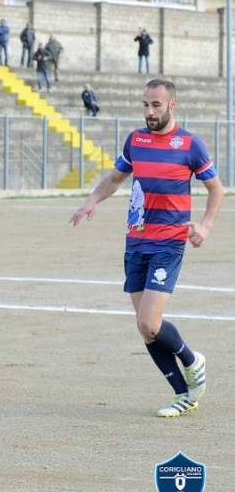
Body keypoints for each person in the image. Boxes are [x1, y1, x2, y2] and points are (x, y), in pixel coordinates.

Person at [70, 79, 223, 418]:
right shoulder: (136, 140)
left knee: (151, 323)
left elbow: (216, 189)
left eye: (156, 105)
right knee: (143, 327)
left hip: (168, 243)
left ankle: (191, 358)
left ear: (172, 104)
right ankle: (183, 394)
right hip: (136, 242)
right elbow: (114, 178)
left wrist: (204, 226)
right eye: (145, 105)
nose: (149, 111)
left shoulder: (189, 144)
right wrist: (91, 201)